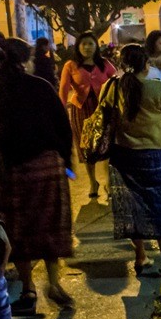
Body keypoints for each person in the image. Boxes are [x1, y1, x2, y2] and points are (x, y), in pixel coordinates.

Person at [0, 39, 74, 315]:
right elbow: (63, 126)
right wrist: (67, 160)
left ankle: (28, 288)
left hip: (11, 169)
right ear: (26, 59)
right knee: (50, 227)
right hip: (47, 165)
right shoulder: (41, 86)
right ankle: (54, 283)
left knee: (18, 231)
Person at [108, 44, 161, 277]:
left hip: (123, 153)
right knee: (160, 203)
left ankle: (140, 256)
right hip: (156, 151)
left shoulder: (113, 87)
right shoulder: (157, 87)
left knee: (133, 205)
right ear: (146, 64)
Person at [59, 31, 118, 198]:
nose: (87, 47)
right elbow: (63, 90)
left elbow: (116, 83)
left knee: (107, 143)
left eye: (91, 44)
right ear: (78, 46)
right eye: (83, 44)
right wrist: (61, 111)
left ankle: (108, 179)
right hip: (81, 110)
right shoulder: (70, 65)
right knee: (86, 146)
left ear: (96, 46)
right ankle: (93, 182)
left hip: (104, 108)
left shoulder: (105, 64)